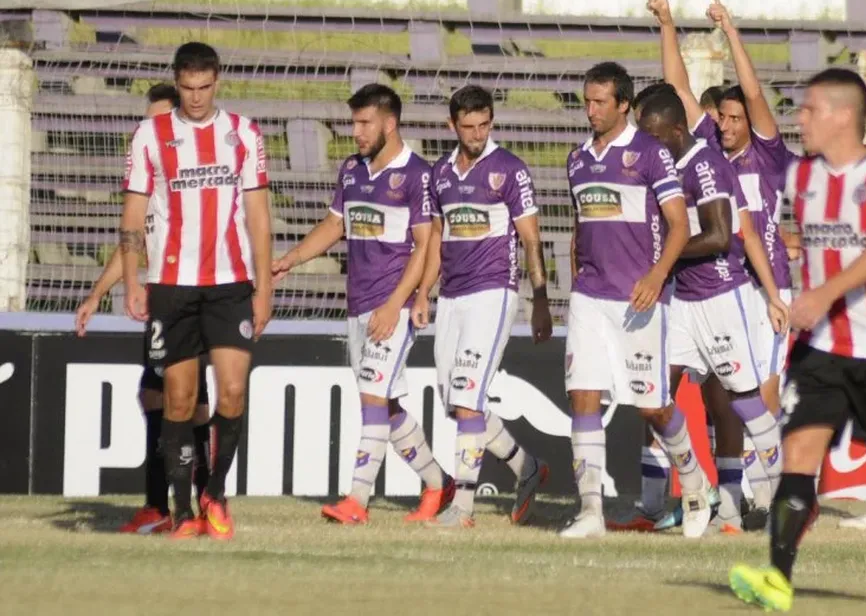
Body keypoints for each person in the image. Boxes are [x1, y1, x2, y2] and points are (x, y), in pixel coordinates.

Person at [728, 68, 866, 612]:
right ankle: (778, 578)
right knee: (798, 457)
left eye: (810, 110)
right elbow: (756, 106)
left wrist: (822, 294)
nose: (800, 119)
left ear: (843, 115)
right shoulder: (801, 177)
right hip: (821, 348)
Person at [272, 84, 454, 524]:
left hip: (389, 305)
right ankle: (438, 483)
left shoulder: (416, 175)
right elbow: (334, 225)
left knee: (372, 399)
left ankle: (356, 499)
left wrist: (398, 304)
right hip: (357, 305)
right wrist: (292, 258)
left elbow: (426, 245)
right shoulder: (352, 170)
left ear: (388, 124)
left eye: (363, 122)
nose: (355, 132)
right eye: (353, 122)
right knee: (386, 408)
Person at [648, 0, 791, 523]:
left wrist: (730, 31)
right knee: (699, 395)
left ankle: (777, 494)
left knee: (757, 396)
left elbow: (755, 98)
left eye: (736, 119)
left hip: (764, 287)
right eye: (723, 118)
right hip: (713, 285)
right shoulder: (707, 151)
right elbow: (677, 89)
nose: (729, 125)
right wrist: (667, 23)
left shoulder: (768, 157)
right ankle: (721, 496)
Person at [119, 43, 274, 539]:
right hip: (171, 287)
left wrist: (264, 287)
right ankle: (181, 512)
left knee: (232, 391)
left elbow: (257, 216)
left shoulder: (244, 133)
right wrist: (130, 281)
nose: (196, 97)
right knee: (180, 402)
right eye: (187, 88)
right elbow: (132, 216)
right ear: (177, 82)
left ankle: (216, 493)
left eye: (204, 87)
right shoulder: (150, 133)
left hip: (230, 283)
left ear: (217, 81)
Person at [560, 62, 713, 540]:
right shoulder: (577, 158)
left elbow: (681, 224)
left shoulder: (649, 153)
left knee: (652, 408)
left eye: (601, 102)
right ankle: (589, 512)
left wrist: (657, 275)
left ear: (624, 104)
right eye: (587, 101)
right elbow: (580, 228)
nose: (592, 110)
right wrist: (574, 283)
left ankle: (694, 485)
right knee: (582, 396)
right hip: (590, 295)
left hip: (639, 299)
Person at [411, 84, 552, 528]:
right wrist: (422, 292)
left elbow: (531, 238)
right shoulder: (440, 174)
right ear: (452, 125)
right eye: (468, 126)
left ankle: (463, 507)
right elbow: (437, 236)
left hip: (494, 293)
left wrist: (541, 298)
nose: (476, 133)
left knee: (469, 402)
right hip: (452, 296)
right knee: (457, 403)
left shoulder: (509, 169)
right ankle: (526, 467)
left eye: (484, 125)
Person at [76, 83, 212, 535]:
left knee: (178, 400)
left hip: (190, 301)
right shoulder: (150, 182)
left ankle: (176, 504)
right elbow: (133, 244)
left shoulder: (190, 183)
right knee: (168, 398)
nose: (147, 130)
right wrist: (97, 294)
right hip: (163, 305)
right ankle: (187, 502)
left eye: (156, 121)